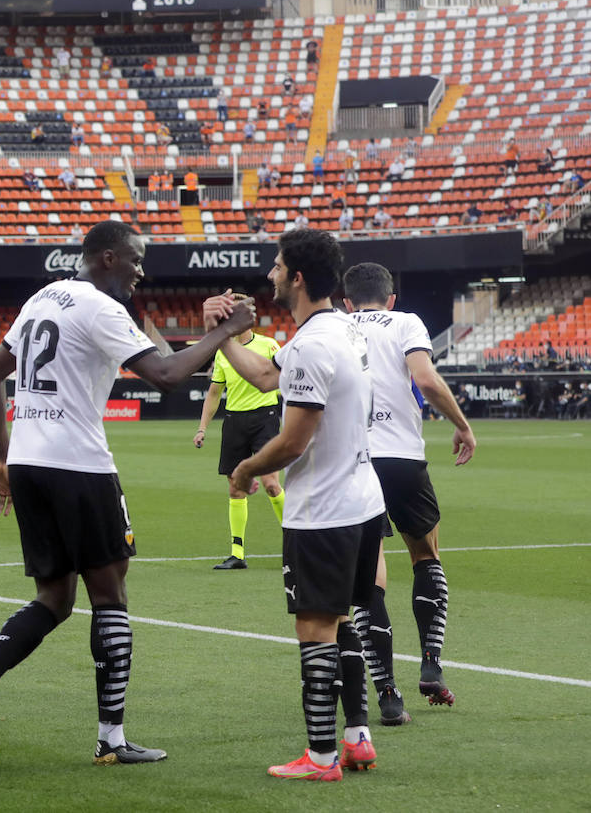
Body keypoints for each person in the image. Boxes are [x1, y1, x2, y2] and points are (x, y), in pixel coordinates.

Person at [0, 220, 255, 769]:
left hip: (30, 464)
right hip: (80, 467)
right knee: (109, 597)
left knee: (55, 599)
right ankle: (111, 739)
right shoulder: (100, 307)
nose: (142, 271)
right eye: (136, 260)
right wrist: (227, 330)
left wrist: (1, 455)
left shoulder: (42, 297)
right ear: (108, 257)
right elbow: (164, 375)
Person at [206, 229, 386, 781]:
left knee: (314, 629)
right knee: (343, 618)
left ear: (298, 277)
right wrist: (223, 333)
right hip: (363, 500)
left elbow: (293, 440)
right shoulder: (341, 328)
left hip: (324, 511)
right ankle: (356, 738)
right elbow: (263, 374)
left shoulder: (311, 344)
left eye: (278, 266)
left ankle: (321, 758)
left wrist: (246, 468)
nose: (271, 275)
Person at [343, 263, 475, 724]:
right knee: (426, 553)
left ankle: (387, 695)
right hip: (402, 457)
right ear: (390, 298)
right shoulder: (405, 322)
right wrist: (461, 425)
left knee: (369, 574)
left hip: (356, 461)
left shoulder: (334, 326)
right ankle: (432, 665)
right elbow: (425, 379)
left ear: (347, 302)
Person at [193, 309, 285, 569]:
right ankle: (237, 554)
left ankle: (297, 541)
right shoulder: (223, 352)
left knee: (270, 483)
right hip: (234, 422)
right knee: (235, 488)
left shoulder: (268, 345)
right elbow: (213, 393)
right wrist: (202, 428)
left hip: (265, 418)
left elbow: (284, 381)